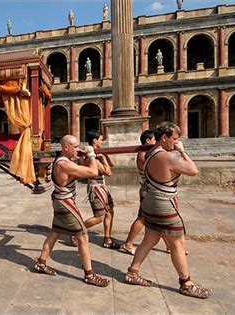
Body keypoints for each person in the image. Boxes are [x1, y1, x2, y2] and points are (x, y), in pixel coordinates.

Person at [124, 122, 211, 299]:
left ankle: (132, 272)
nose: (176, 142)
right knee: (177, 243)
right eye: (175, 139)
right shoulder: (166, 157)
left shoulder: (149, 153)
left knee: (150, 239)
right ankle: (186, 283)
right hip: (163, 204)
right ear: (164, 138)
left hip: (150, 200)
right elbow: (193, 170)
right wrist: (182, 151)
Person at [34, 135, 110, 287]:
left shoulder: (66, 160)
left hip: (61, 200)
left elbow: (81, 168)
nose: (77, 149)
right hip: (65, 203)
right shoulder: (64, 164)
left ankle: (41, 263)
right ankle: (89, 274)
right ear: (66, 148)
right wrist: (92, 154)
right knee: (82, 237)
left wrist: (82, 156)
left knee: (55, 232)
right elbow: (93, 172)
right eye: (75, 147)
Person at [71, 131, 117, 249]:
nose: (102, 142)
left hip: (102, 186)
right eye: (100, 139)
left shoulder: (98, 155)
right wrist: (102, 158)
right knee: (99, 217)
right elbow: (108, 172)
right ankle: (77, 232)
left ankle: (107, 238)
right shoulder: (92, 158)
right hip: (95, 187)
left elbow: (112, 164)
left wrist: (105, 155)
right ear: (95, 141)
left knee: (109, 212)